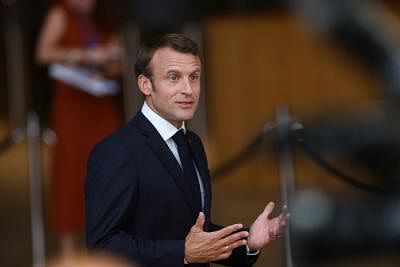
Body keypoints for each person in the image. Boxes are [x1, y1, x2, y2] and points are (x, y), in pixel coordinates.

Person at [85, 33, 289, 267]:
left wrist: (248, 242)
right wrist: (182, 253)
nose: (188, 90)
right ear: (145, 84)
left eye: (194, 77)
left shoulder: (192, 142)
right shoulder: (116, 151)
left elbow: (195, 231)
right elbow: (102, 246)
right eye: (173, 78)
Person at [36, 0, 122, 257]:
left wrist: (109, 61)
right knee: (70, 176)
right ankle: (69, 254)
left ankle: (106, 248)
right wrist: (84, 56)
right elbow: (43, 53)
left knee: (110, 174)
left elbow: (117, 68)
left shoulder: (104, 19)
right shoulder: (61, 13)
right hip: (72, 107)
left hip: (101, 104)